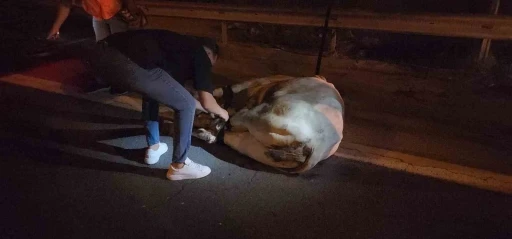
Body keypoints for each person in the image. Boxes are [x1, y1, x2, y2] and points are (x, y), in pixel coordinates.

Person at [86, 29, 229, 180]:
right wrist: (222, 112)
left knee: (153, 94)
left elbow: (176, 95)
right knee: (186, 105)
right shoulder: (202, 54)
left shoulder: (178, 50)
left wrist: (201, 107)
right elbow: (206, 101)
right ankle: (179, 167)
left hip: (100, 54)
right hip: (127, 60)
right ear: (214, 56)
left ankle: (153, 148)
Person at [47, 0, 144, 42]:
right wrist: (55, 29)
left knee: (120, 47)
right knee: (102, 47)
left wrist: (134, 11)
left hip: (117, 14)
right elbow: (66, 4)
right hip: (97, 17)